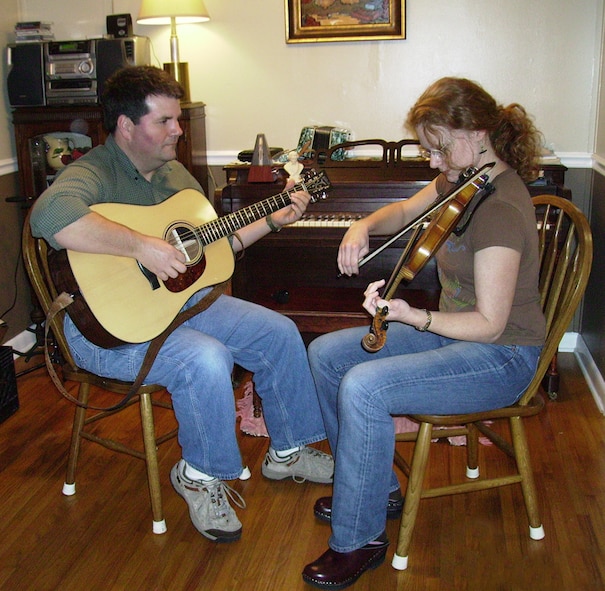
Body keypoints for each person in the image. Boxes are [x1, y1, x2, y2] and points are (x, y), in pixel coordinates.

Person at [30, 65, 333, 544]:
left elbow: (211, 250)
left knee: (277, 331)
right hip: (101, 332)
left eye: (177, 119)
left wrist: (275, 219)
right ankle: (201, 475)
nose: (177, 129)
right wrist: (140, 246)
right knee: (203, 358)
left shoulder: (174, 174)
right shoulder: (92, 172)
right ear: (127, 126)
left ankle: (289, 451)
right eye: (164, 121)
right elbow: (48, 216)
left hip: (177, 306)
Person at [302, 77, 546, 588]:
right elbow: (403, 211)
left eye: (437, 148)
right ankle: (373, 488)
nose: (432, 162)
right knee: (327, 354)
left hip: (501, 355)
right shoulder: (464, 180)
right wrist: (361, 225)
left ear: (475, 133)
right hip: (456, 336)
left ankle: (359, 538)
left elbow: (490, 323)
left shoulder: (499, 208)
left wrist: (412, 315)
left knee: (365, 387)